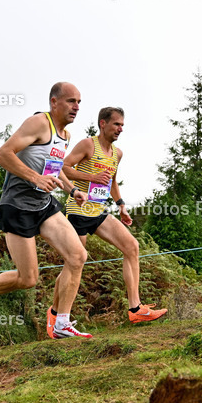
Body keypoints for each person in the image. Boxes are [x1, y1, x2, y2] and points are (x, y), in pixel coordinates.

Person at [0, 82, 93, 339]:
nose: (76, 107)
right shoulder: (38, 123)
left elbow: (55, 166)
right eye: (71, 101)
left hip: (43, 205)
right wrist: (35, 178)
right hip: (17, 206)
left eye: (79, 102)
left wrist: (72, 190)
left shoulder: (66, 136)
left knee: (78, 256)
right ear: (54, 102)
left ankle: (62, 323)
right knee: (28, 279)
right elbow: (2, 154)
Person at [63, 107, 167, 324]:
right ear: (103, 123)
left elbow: (110, 181)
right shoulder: (87, 144)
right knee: (74, 263)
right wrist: (91, 176)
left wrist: (121, 205)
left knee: (132, 246)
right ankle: (58, 316)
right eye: (116, 124)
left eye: (122, 125)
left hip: (99, 212)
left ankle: (135, 308)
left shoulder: (117, 153)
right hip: (78, 211)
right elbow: (63, 168)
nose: (120, 129)